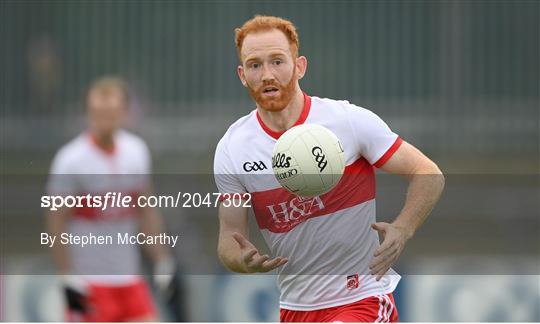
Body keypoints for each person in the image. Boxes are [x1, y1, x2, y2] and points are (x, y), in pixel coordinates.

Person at [214, 16, 445, 322]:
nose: (267, 74)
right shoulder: (233, 148)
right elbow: (230, 237)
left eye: (278, 61)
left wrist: (403, 229)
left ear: (300, 67)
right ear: (243, 75)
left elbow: (428, 174)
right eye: (255, 65)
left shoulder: (347, 121)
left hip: (363, 298)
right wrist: (242, 260)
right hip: (295, 308)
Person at [46, 77, 175, 321]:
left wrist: (162, 259)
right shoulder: (70, 160)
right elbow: (56, 221)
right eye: (99, 112)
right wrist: (66, 274)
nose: (106, 118)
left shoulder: (136, 151)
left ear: (125, 112)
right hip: (90, 283)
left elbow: (145, 210)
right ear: (88, 112)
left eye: (112, 112)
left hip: (129, 279)